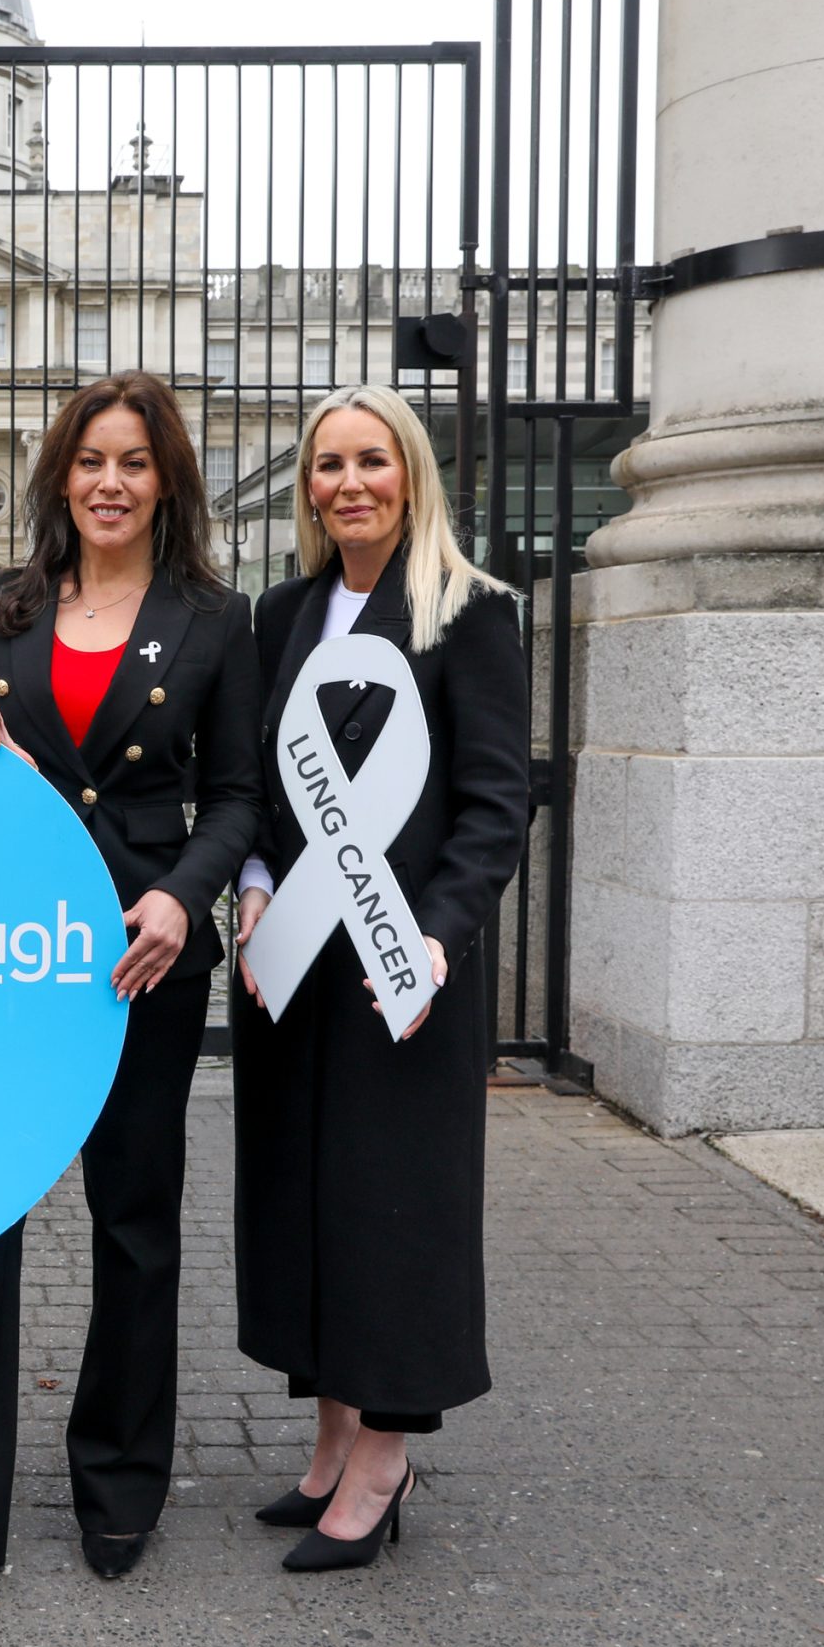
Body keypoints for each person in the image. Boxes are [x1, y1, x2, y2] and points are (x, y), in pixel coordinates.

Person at [0, 370, 260, 1603]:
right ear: (62, 477)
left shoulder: (213, 616)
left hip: (138, 959)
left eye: (134, 463)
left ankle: (119, 1488)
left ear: (166, 484)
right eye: (91, 460)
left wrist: (182, 891)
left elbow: (240, 793)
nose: (109, 482)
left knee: (135, 1231)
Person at [231, 383, 528, 1571]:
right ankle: (329, 1436)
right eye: (326, 465)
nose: (347, 483)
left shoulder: (471, 611)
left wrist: (441, 932)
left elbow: (494, 802)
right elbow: (257, 787)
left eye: (371, 460)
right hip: (297, 967)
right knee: (309, 1198)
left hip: (405, 977)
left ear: (411, 473)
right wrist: (251, 885)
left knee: (393, 1211)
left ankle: (385, 1460)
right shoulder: (281, 615)